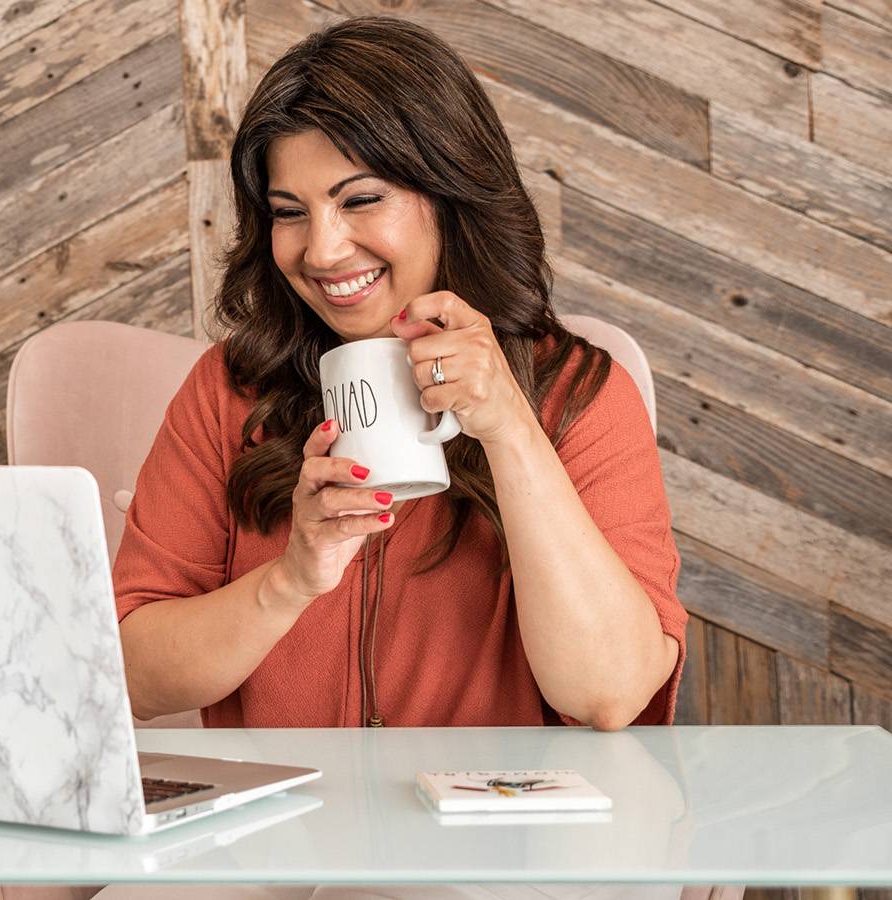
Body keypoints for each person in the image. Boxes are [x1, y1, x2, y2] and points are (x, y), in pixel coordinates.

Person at [94, 14, 688, 900]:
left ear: (450, 193)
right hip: (279, 846)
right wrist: (291, 578)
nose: (320, 251)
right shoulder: (228, 395)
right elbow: (133, 672)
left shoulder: (577, 395)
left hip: (505, 848)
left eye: (360, 199)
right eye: (289, 213)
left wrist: (509, 428)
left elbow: (607, 695)